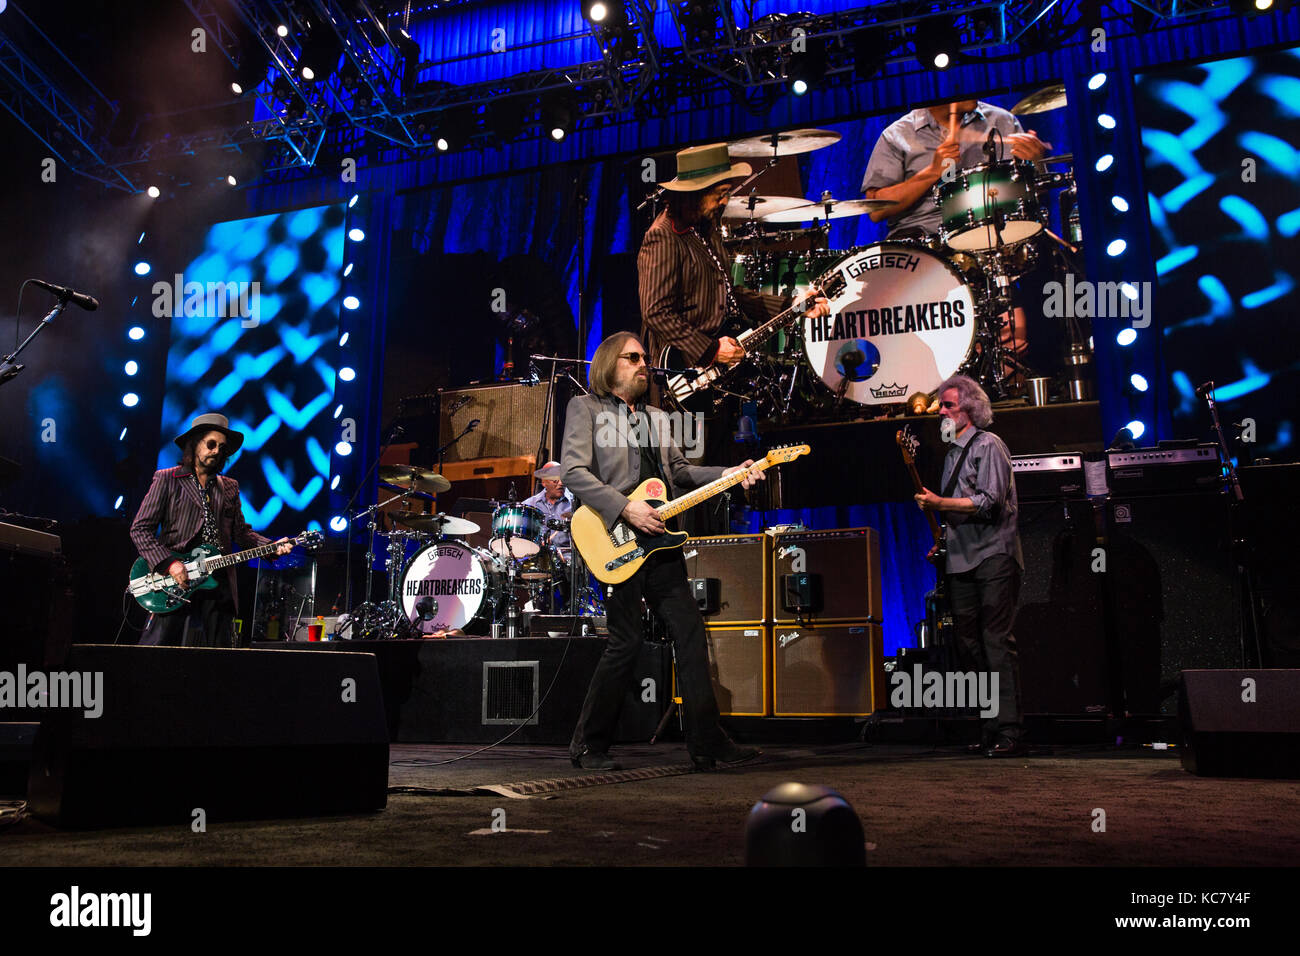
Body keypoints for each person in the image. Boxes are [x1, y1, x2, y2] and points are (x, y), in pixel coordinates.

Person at [562, 331, 765, 771]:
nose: (643, 364)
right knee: (626, 641)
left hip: (660, 539)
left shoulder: (657, 416)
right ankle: (588, 745)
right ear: (609, 365)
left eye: (644, 357)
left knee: (690, 633)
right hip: (615, 536)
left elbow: (679, 472)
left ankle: (708, 743)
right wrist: (625, 508)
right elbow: (574, 473)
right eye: (632, 357)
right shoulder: (586, 408)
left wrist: (729, 472)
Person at [639, 142, 828, 531]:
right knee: (690, 483)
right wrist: (709, 350)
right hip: (682, 388)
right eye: (718, 192)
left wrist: (792, 305)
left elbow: (732, 293)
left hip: (715, 385)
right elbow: (654, 311)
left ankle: (719, 561)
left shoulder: (706, 231)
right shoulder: (662, 237)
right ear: (692, 193)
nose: (726, 199)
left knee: (721, 477)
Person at [863, 100, 1051, 386]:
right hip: (921, 246)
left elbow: (1031, 192)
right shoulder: (898, 134)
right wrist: (932, 171)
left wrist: (1035, 162)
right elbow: (876, 209)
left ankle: (1004, 385)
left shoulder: (1001, 121)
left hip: (988, 241)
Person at [913, 375, 1025, 756]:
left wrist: (940, 504)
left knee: (995, 642)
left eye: (948, 405)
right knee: (968, 646)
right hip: (961, 561)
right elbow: (957, 514)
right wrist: (941, 544)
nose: (940, 411)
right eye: (940, 405)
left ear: (970, 409)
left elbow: (990, 502)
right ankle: (990, 726)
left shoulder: (988, 445)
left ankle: (1009, 731)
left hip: (993, 555)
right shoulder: (950, 455)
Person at [130, 413, 293, 647]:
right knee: (159, 649)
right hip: (174, 579)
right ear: (195, 444)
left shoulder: (229, 487)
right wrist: (170, 564)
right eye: (211, 444)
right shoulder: (168, 479)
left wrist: (270, 547)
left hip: (218, 580)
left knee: (221, 654)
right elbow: (140, 529)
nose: (217, 451)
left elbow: (241, 533)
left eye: (222, 448)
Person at [521, 460, 572, 549]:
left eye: (562, 479)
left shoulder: (575, 503)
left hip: (567, 555)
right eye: (555, 480)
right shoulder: (529, 505)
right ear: (544, 482)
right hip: (538, 555)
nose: (561, 483)